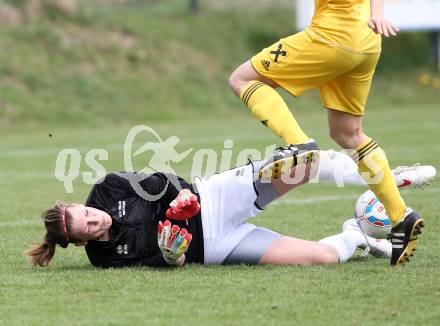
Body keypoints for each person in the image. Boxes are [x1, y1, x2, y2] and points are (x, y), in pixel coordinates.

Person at [228, 0, 421, 266]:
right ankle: (400, 217)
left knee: (243, 79)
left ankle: (299, 145)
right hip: (367, 39)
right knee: (348, 133)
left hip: (333, 36)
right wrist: (377, 14)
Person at [26, 148, 435, 268]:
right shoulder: (105, 258)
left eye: (86, 212)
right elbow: (167, 261)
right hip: (218, 247)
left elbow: (162, 182)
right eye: (87, 227)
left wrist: (179, 201)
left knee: (304, 167)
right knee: (322, 258)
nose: (95, 218)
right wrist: (174, 255)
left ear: (80, 204)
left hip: (213, 196)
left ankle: (387, 177)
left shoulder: (107, 187)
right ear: (81, 242)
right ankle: (359, 233)